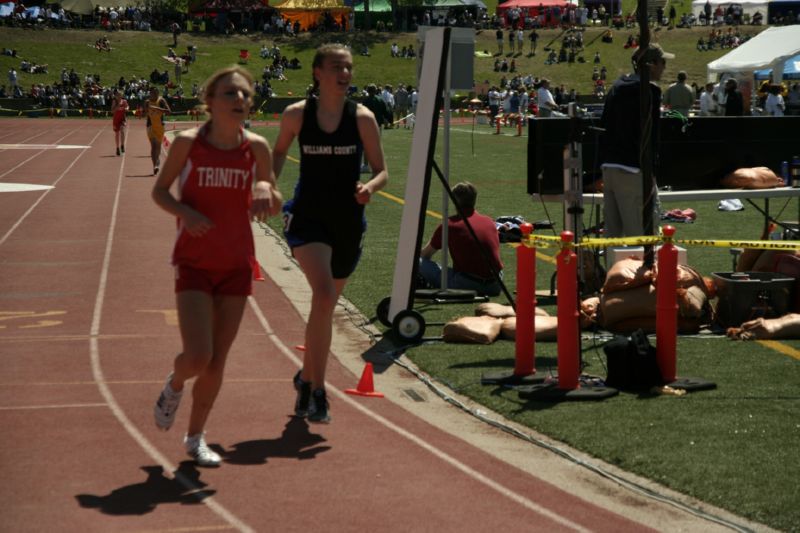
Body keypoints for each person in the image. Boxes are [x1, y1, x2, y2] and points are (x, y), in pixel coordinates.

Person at [151, 66, 283, 466]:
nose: (239, 101)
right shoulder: (188, 144)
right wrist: (185, 213)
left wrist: (266, 187)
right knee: (197, 357)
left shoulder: (257, 147)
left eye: (244, 95)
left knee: (218, 360)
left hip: (236, 263)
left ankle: (195, 437)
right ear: (209, 101)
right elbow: (159, 192)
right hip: (194, 261)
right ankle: (174, 386)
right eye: (230, 94)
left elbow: (273, 205)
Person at [271, 43, 388, 424]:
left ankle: (305, 378)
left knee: (324, 306)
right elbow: (277, 154)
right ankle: (319, 392)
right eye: (337, 66)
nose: (345, 73)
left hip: (347, 222)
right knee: (323, 295)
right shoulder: (295, 115)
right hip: (307, 218)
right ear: (318, 72)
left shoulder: (363, 118)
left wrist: (370, 189)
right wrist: (268, 185)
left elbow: (380, 170)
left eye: (349, 67)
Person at [599, 43, 673, 237]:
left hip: (610, 166)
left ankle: (612, 268)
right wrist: (653, 170)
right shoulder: (649, 91)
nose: (664, 67)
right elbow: (652, 135)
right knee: (640, 237)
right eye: (662, 62)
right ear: (651, 64)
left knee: (612, 238)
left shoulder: (616, 86)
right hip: (634, 169)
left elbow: (604, 125)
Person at [418, 182, 503, 296]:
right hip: (495, 285)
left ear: (454, 201)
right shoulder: (489, 221)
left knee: (417, 261)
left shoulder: (450, 224)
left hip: (466, 284)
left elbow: (425, 255)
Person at [145, 86, 171, 175]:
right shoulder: (147, 102)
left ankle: (157, 161)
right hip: (150, 125)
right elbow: (144, 112)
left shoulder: (161, 101)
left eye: (156, 93)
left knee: (158, 148)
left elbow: (168, 111)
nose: (154, 95)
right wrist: (142, 111)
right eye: (152, 93)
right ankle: (155, 166)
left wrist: (157, 108)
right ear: (150, 93)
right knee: (153, 146)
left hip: (160, 126)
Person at [110, 89, 129, 156]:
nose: (118, 96)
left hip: (122, 119)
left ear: (121, 95)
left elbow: (127, 107)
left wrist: (127, 108)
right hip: (116, 119)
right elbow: (112, 111)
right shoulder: (114, 102)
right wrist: (117, 106)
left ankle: (122, 145)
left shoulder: (124, 101)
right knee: (117, 134)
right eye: (117, 95)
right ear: (115, 96)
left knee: (122, 131)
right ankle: (117, 148)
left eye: (119, 95)